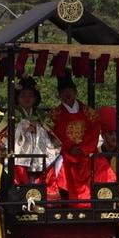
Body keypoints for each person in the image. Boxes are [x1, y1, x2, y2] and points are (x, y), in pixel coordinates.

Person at [49, 76, 98, 204]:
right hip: (65, 152)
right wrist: (69, 147)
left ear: (75, 92)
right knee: (59, 166)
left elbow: (94, 132)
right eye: (63, 92)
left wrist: (82, 148)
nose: (67, 94)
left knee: (100, 165)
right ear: (59, 95)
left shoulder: (89, 112)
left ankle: (96, 199)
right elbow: (53, 135)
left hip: (86, 152)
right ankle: (65, 198)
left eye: (70, 91)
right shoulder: (54, 114)